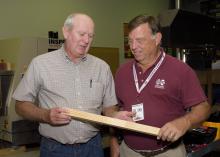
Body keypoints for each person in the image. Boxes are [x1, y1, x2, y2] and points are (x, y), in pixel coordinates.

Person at [13, 13, 118, 157]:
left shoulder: (102, 67)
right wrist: (45, 115)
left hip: (93, 148)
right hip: (55, 150)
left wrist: (116, 116)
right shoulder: (40, 64)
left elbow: (109, 106)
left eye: (91, 36)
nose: (86, 40)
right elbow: (20, 105)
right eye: (81, 34)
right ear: (66, 32)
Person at [110, 14, 211, 157]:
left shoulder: (180, 70)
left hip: (167, 152)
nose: (133, 47)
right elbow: (115, 109)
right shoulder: (122, 72)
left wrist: (184, 122)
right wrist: (114, 140)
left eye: (139, 40)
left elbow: (203, 108)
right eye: (130, 41)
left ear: (157, 38)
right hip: (129, 151)